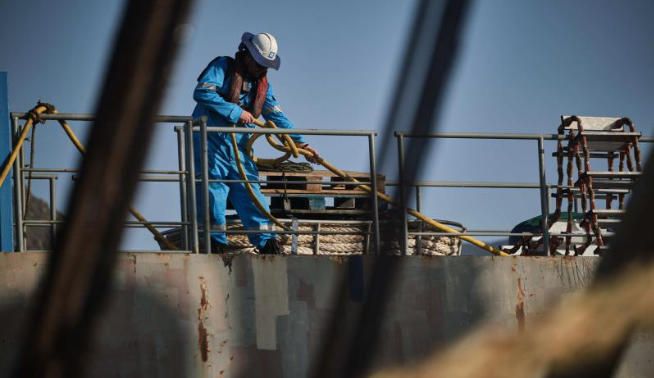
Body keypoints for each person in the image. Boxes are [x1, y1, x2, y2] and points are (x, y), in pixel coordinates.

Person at [191, 32, 319, 254]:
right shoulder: (223, 67)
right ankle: (214, 243)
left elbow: (277, 117)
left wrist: (301, 144)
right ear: (246, 55)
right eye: (259, 63)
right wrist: (235, 111)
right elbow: (203, 92)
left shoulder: (263, 87)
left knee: (250, 189)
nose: (262, 68)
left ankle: (267, 243)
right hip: (211, 142)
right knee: (214, 190)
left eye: (266, 65)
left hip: (239, 147)